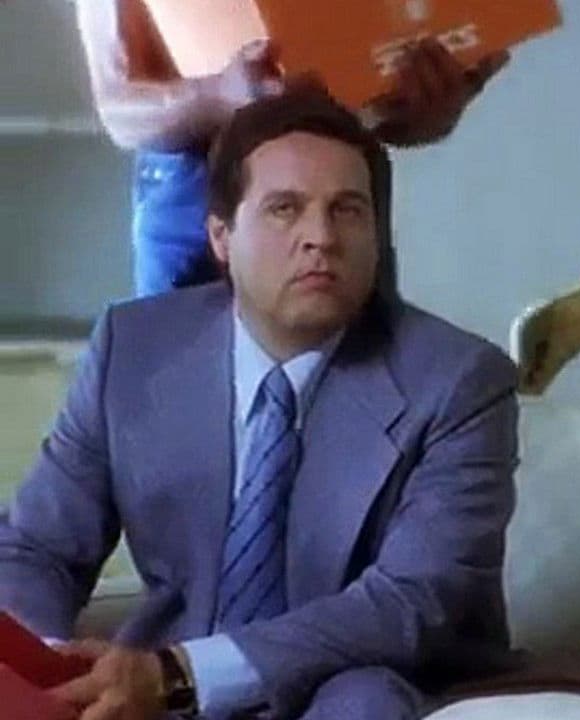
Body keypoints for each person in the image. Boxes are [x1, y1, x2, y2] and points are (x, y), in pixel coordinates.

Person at [0, 87, 518, 719]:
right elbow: (38, 547)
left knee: (364, 702)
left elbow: (413, 600)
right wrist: (48, 671)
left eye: (348, 210)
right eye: (284, 209)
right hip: (162, 692)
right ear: (221, 236)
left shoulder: (459, 380)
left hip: (365, 677)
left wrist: (181, 674)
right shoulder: (133, 350)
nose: (320, 238)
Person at [76, 0, 508, 297]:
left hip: (340, 195)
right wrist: (219, 95)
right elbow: (119, 110)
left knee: (356, 391)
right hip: (201, 212)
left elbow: (381, 110)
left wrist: (429, 107)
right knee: (191, 397)